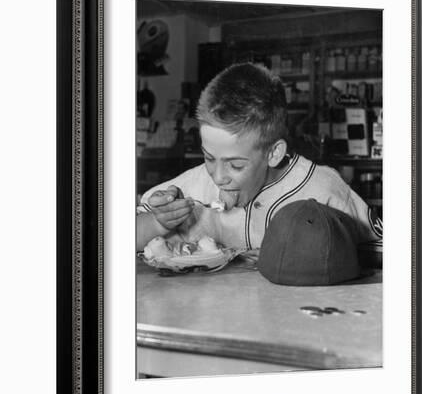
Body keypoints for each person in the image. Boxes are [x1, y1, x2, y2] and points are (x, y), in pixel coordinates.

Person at [136, 62, 382, 252]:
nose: (219, 177)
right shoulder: (192, 187)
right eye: (209, 157)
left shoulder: (323, 189)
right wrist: (158, 223)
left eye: (235, 164)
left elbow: (384, 254)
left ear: (274, 153)